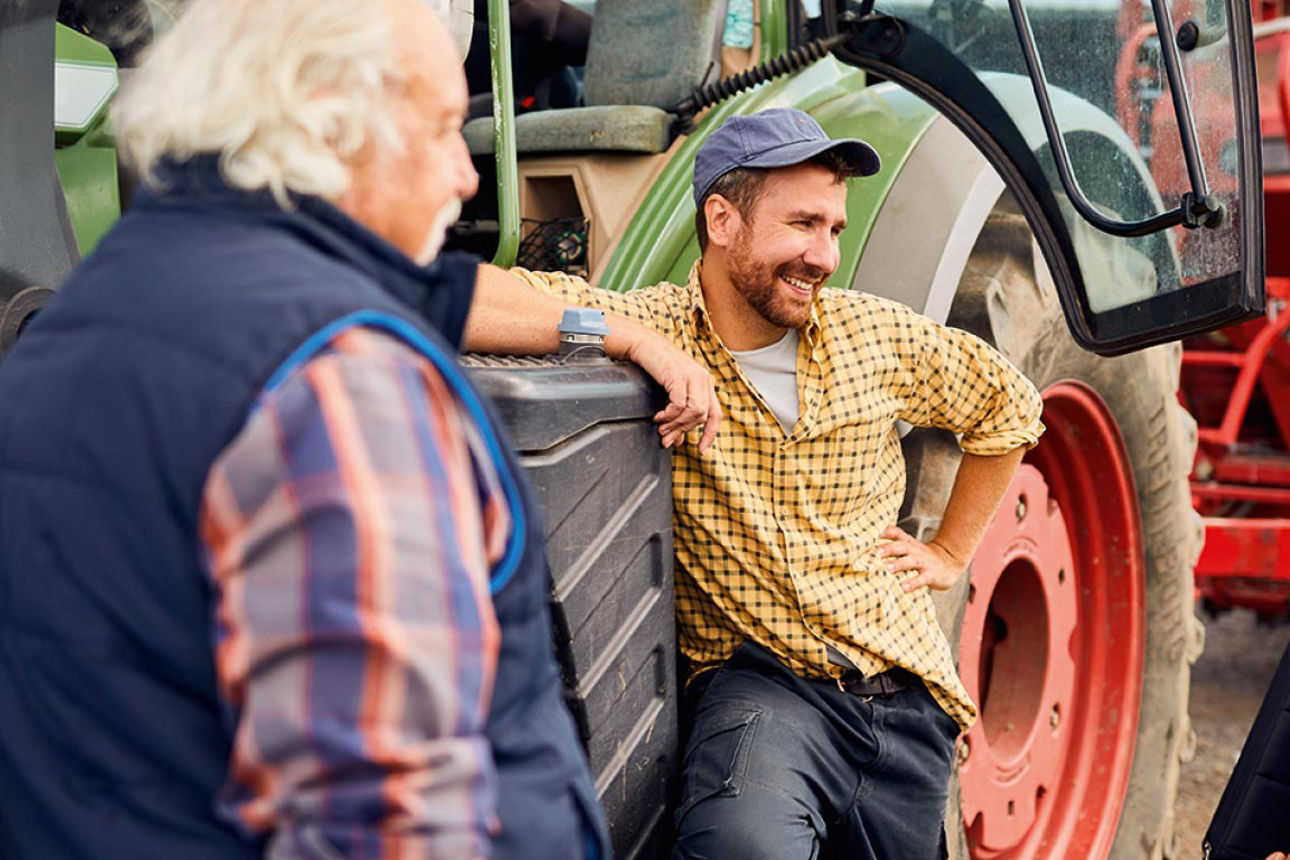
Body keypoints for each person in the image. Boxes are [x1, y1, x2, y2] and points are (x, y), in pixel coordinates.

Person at [0, 0, 717, 858]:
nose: (463, 175)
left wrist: (610, 330)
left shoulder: (78, 325)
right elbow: (394, 826)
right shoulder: (339, 389)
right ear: (334, 125)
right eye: (446, 129)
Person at [486, 108, 1046, 858]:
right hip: (765, 687)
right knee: (741, 846)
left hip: (907, 697)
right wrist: (627, 340)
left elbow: (1010, 409)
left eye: (836, 230)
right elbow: (460, 298)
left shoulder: (874, 334)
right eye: (803, 224)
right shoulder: (654, 327)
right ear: (722, 219)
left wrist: (948, 551)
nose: (824, 255)